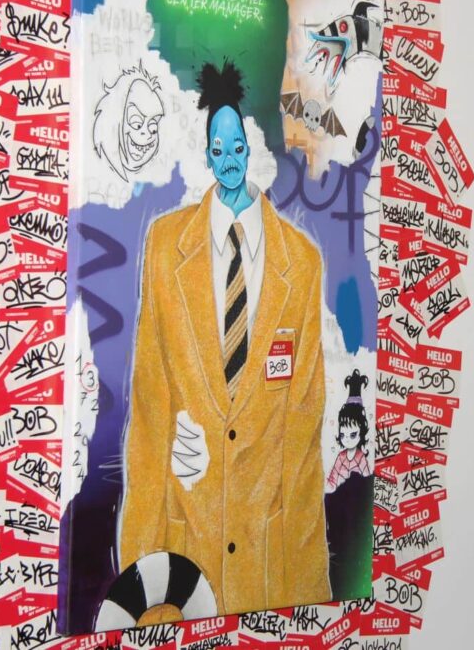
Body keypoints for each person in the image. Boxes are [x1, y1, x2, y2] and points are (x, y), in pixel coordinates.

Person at [119, 59, 330, 619]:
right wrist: (138, 593)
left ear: (254, 145)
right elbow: (149, 417)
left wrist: (311, 606)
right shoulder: (164, 246)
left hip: (267, 570)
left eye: (238, 145)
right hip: (184, 550)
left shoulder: (302, 264)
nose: (229, 158)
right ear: (207, 154)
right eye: (219, 148)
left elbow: (303, 439)